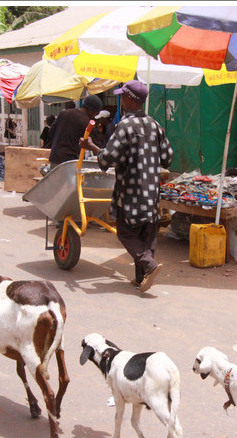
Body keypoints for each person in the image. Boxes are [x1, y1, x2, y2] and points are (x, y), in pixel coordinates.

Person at [80, 80, 173, 293]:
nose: (121, 100)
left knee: (125, 231)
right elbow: (168, 157)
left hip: (131, 190)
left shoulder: (125, 125)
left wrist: (91, 146)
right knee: (146, 232)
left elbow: (108, 159)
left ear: (130, 99)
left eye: (123, 96)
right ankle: (142, 278)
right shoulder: (155, 124)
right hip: (151, 190)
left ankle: (148, 266)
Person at [48, 95, 102, 167]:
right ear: (92, 111)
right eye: (96, 113)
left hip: (54, 159)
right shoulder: (87, 123)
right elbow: (96, 146)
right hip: (69, 163)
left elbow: (51, 133)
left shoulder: (64, 113)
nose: (95, 116)